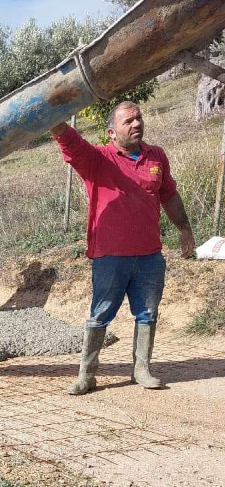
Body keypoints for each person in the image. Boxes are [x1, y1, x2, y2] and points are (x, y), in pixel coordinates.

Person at [51, 101, 195, 395]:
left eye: (139, 118)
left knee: (148, 313)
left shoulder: (157, 156)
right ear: (111, 131)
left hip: (149, 255)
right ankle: (87, 375)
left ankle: (141, 370)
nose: (137, 124)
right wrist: (50, 116)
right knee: (101, 313)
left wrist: (185, 230)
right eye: (128, 121)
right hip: (110, 255)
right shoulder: (97, 159)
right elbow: (69, 140)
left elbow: (169, 195)